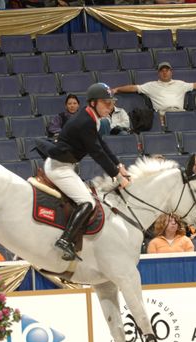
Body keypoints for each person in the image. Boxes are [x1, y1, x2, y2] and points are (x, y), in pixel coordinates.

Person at [40, 83, 129, 261]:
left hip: (64, 166)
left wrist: (119, 165)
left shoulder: (91, 117)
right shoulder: (85, 122)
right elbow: (97, 153)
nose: (110, 108)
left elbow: (101, 144)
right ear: (94, 103)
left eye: (111, 104)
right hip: (59, 169)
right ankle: (65, 240)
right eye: (107, 104)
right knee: (87, 202)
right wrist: (118, 177)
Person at [113, 62, 196, 115]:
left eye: (167, 70)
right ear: (158, 73)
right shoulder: (151, 85)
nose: (164, 73)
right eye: (162, 71)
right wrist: (117, 89)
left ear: (171, 72)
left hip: (179, 114)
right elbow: (134, 88)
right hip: (162, 115)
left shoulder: (181, 84)